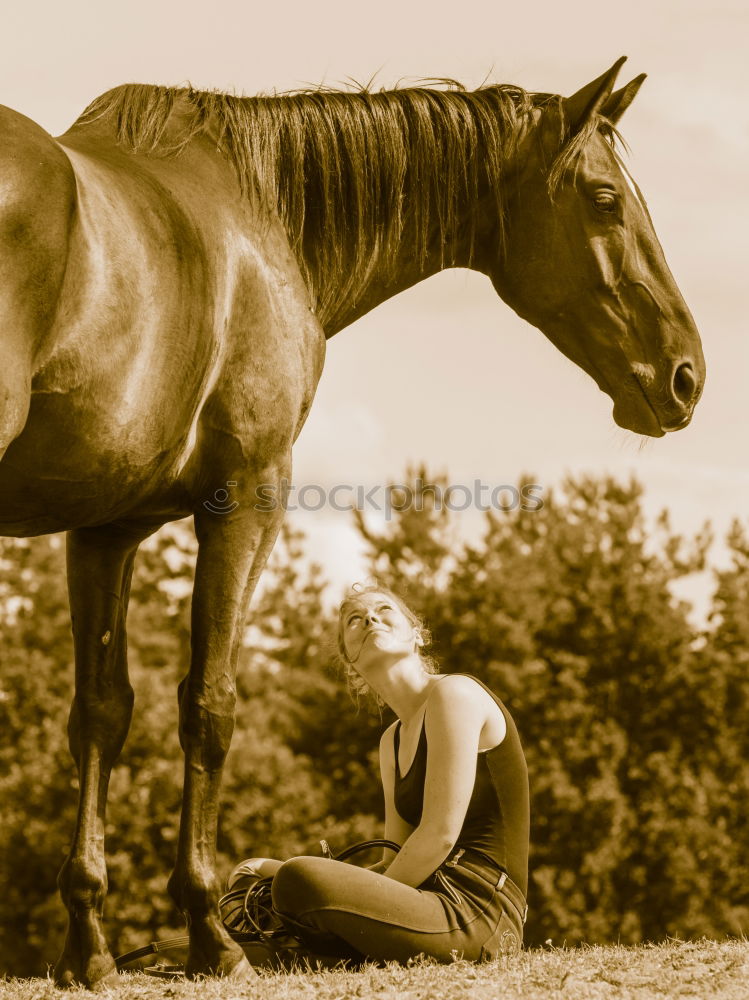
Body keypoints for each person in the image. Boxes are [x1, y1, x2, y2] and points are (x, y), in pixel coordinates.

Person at [226, 584, 529, 965]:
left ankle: (304, 942)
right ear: (351, 660)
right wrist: (287, 876)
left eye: (384, 609)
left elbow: (438, 837)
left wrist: (313, 886)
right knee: (263, 876)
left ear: (417, 634)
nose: (369, 618)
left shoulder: (455, 694)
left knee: (297, 879)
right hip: (426, 901)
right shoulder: (392, 741)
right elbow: (397, 857)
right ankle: (298, 946)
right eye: (354, 620)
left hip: (478, 911)